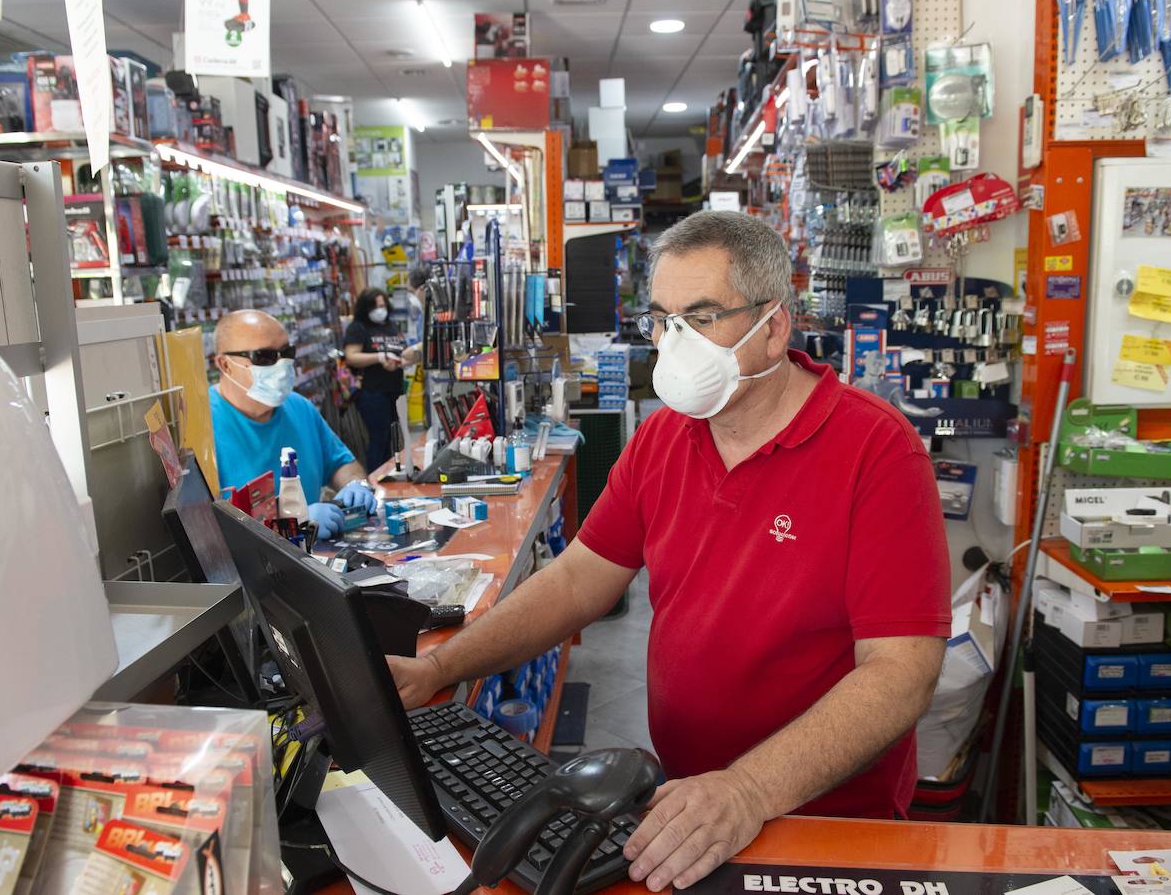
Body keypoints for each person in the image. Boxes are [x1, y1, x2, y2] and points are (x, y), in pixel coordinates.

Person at [387, 212, 950, 891]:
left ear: (774, 325)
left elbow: (901, 672)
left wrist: (747, 789)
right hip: (689, 805)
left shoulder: (877, 453)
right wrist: (441, 666)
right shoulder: (664, 440)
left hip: (825, 821)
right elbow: (577, 582)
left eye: (702, 316)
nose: (673, 343)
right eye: (662, 319)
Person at [210, 309, 376, 539]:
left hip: (313, 562)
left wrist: (356, 485)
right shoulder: (203, 428)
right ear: (225, 364)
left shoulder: (299, 408)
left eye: (287, 353)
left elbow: (342, 463)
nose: (281, 365)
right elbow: (212, 531)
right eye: (264, 357)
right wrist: (292, 525)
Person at [343, 288, 422, 472]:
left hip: (394, 389)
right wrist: (379, 357)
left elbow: (400, 351)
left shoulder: (390, 326)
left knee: (392, 437)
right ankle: (375, 477)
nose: (381, 309)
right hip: (372, 391)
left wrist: (402, 361)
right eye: (377, 306)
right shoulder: (358, 327)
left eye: (384, 305)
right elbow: (351, 356)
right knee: (379, 437)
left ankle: (389, 474)